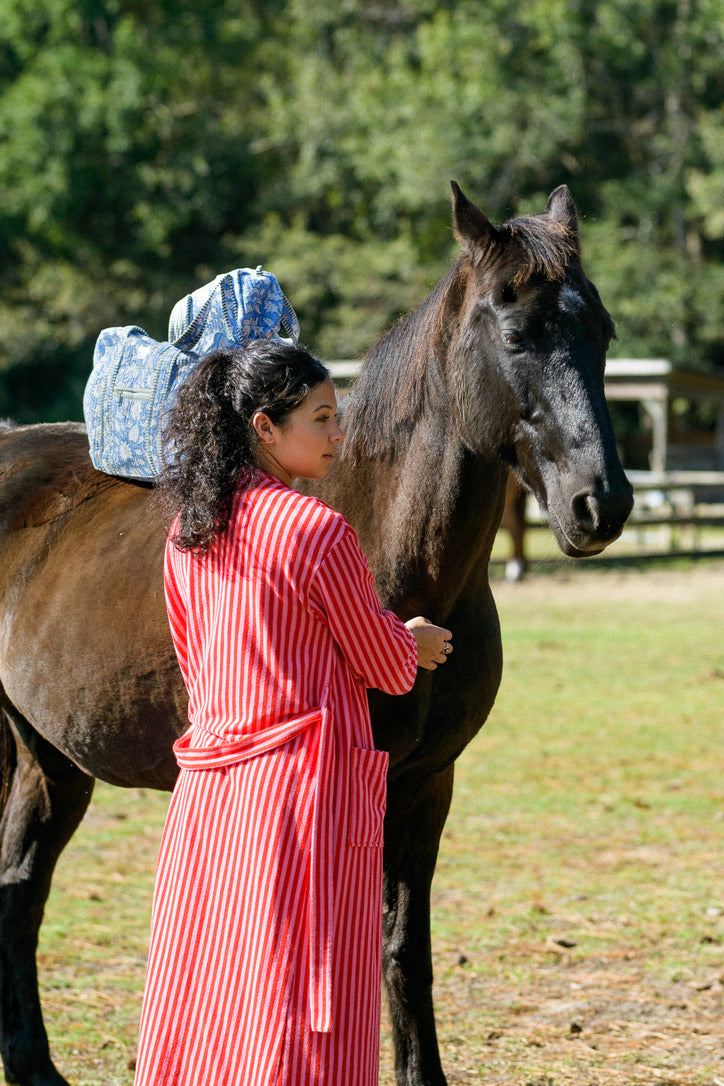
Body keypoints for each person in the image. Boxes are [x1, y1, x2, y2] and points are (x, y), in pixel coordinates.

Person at [134, 339, 453, 1086]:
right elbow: (381, 665)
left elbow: (201, 657)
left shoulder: (188, 531)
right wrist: (412, 642)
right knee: (308, 995)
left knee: (214, 987)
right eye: (322, 416)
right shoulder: (318, 532)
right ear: (264, 427)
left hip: (213, 790)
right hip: (304, 796)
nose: (340, 432)